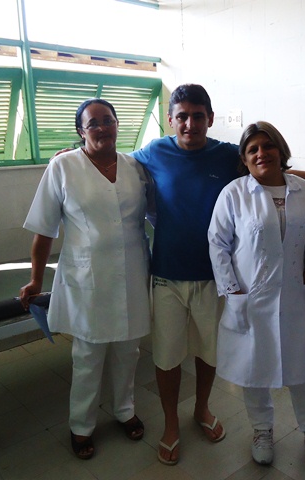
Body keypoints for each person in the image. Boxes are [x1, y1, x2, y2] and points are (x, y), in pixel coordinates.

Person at [19, 98, 152, 460]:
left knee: (128, 351)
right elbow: (44, 230)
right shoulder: (63, 166)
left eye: (108, 120)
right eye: (93, 123)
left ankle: (124, 410)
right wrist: (35, 280)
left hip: (132, 272)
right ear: (81, 131)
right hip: (87, 278)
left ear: (117, 125)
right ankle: (81, 426)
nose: (102, 128)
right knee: (88, 355)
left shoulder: (135, 167)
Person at [208, 121, 305, 469]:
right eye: (253, 149)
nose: (261, 153)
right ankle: (262, 430)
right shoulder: (234, 193)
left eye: (268, 145)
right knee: (254, 368)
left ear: (280, 149)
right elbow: (217, 243)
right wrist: (232, 289)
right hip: (251, 296)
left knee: (301, 370)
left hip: (293, 296)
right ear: (245, 159)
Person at [130, 84, 238, 465]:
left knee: (209, 351)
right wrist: (74, 155)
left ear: (210, 118)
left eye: (197, 116)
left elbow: (270, 165)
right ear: (170, 119)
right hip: (167, 275)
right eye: (182, 117)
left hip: (214, 276)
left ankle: (202, 409)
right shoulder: (154, 151)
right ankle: (171, 423)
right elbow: (112, 161)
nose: (190, 124)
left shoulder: (229, 155)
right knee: (166, 355)